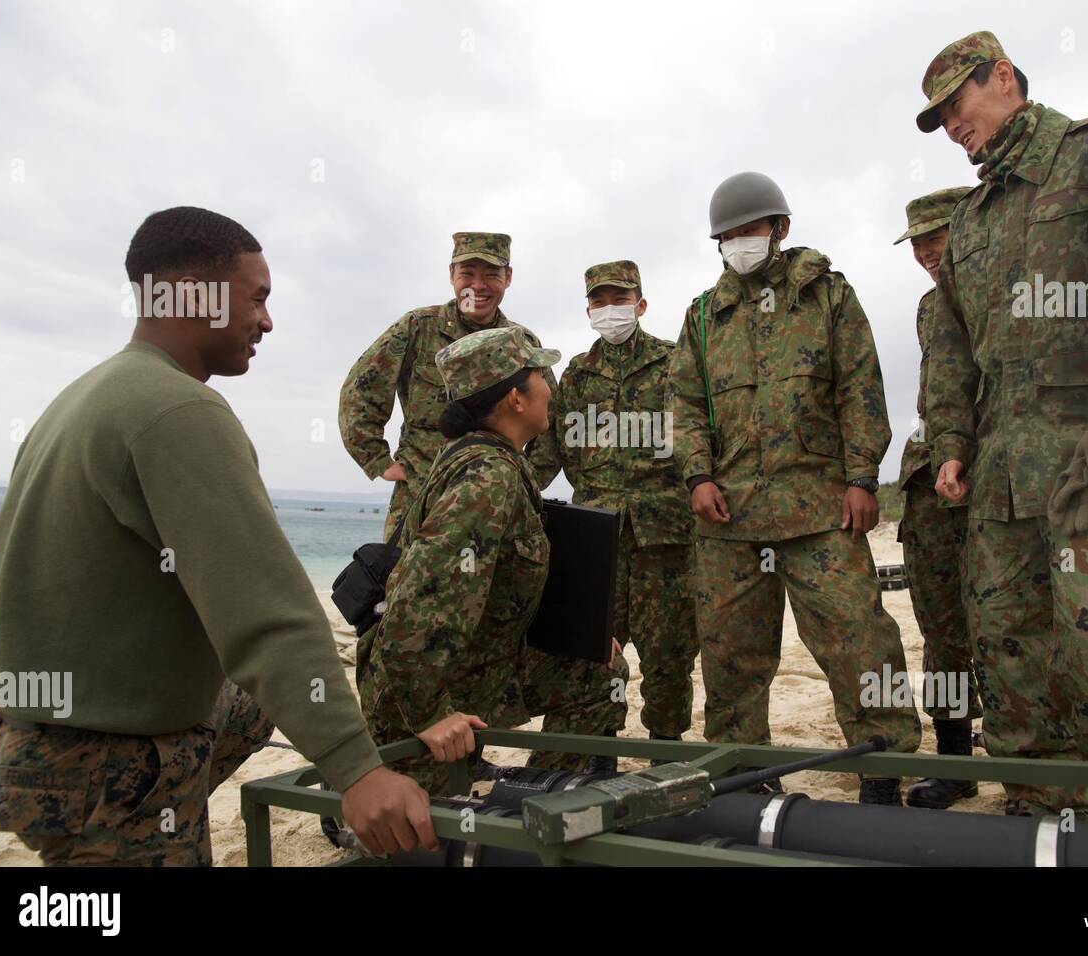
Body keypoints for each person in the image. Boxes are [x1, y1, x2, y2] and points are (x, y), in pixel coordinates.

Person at [0, 206, 433, 865]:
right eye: (259, 298)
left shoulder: (83, 396)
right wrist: (357, 771)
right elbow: (269, 614)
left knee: (252, 698)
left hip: (27, 724)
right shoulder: (181, 410)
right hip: (95, 762)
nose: (267, 321)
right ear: (194, 293)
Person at [918, 31, 1088, 825]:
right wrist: (953, 448)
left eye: (955, 105)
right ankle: (1041, 828)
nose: (952, 127)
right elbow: (957, 350)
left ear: (1002, 77)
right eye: (937, 120)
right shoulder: (968, 220)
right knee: (1009, 659)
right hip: (1000, 483)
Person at [667, 171, 921, 805]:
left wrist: (863, 476)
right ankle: (741, 769)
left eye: (748, 230)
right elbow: (683, 406)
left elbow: (861, 388)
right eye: (725, 235)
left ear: (779, 229)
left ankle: (882, 765)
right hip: (729, 519)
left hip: (821, 509)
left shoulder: (827, 297)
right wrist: (697, 474)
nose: (737, 243)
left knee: (859, 641)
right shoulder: (703, 316)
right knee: (730, 656)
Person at [359, 326, 628, 795]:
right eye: (540, 375)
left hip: (475, 667)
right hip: (419, 693)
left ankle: (543, 792)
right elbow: (417, 606)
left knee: (599, 671)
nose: (550, 385)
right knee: (410, 832)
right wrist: (428, 715)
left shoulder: (497, 461)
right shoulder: (486, 480)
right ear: (515, 399)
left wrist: (579, 636)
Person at [555, 260, 699, 746]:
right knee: (594, 648)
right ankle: (600, 748)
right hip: (599, 537)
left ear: (640, 304)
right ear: (588, 309)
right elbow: (557, 450)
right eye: (600, 301)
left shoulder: (676, 360)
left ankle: (666, 743)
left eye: (620, 299)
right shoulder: (576, 375)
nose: (609, 309)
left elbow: (697, 435)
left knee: (669, 651)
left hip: (667, 535)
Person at [338, 233, 561, 537]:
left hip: (497, 502)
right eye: (467, 273)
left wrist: (528, 479)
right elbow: (361, 390)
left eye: (491, 274)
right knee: (407, 579)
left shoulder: (522, 343)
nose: (478, 286)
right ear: (451, 275)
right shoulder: (418, 328)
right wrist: (377, 459)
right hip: (423, 497)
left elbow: (551, 414)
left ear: (508, 278)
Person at [891, 187, 983, 809]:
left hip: (992, 480)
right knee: (942, 632)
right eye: (918, 242)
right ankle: (956, 761)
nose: (927, 252)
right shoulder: (929, 308)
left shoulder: (1009, 293)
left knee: (1012, 631)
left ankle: (1031, 761)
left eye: (938, 237)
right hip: (931, 492)